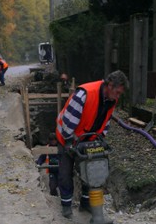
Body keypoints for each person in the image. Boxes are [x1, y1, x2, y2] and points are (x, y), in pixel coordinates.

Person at [55, 70, 128, 219]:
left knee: (92, 171)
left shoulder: (112, 100)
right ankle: (66, 206)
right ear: (109, 85)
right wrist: (69, 142)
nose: (118, 96)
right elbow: (68, 120)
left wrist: (100, 138)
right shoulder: (85, 94)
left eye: (120, 94)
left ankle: (86, 203)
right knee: (65, 172)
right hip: (67, 135)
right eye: (118, 92)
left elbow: (106, 122)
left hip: (88, 139)